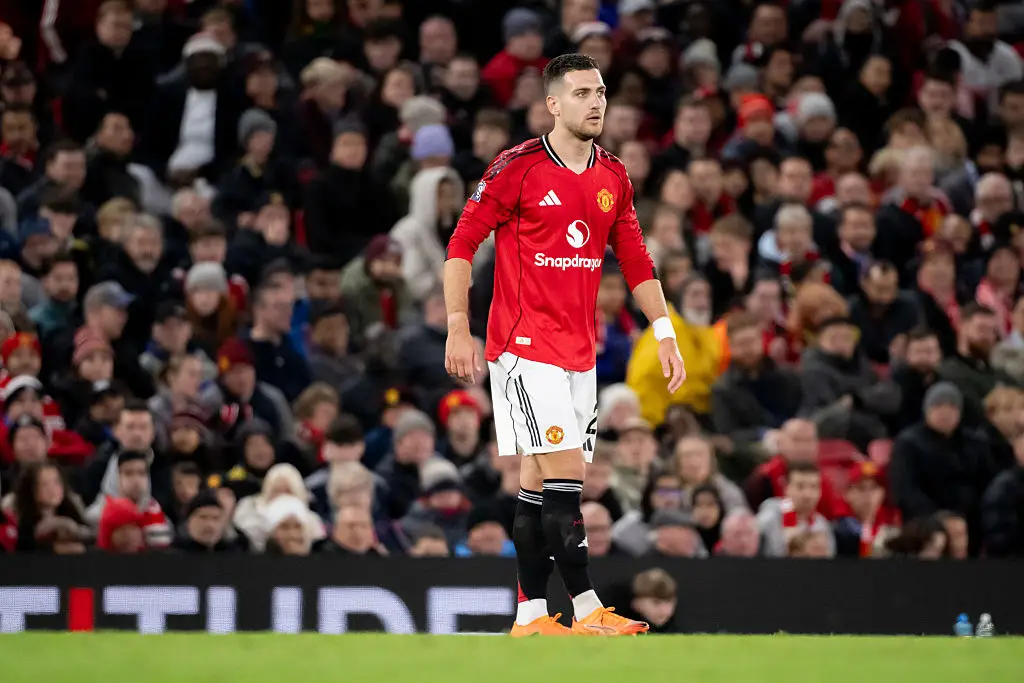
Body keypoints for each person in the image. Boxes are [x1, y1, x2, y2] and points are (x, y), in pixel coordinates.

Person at [444, 54, 684, 637]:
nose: (596, 102)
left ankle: (529, 614)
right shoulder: (517, 168)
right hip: (523, 347)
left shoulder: (614, 176)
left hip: (580, 352)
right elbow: (461, 243)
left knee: (535, 482)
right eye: (581, 93)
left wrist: (666, 332)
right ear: (553, 104)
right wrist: (458, 325)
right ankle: (585, 608)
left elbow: (636, 260)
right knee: (567, 475)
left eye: (600, 91)